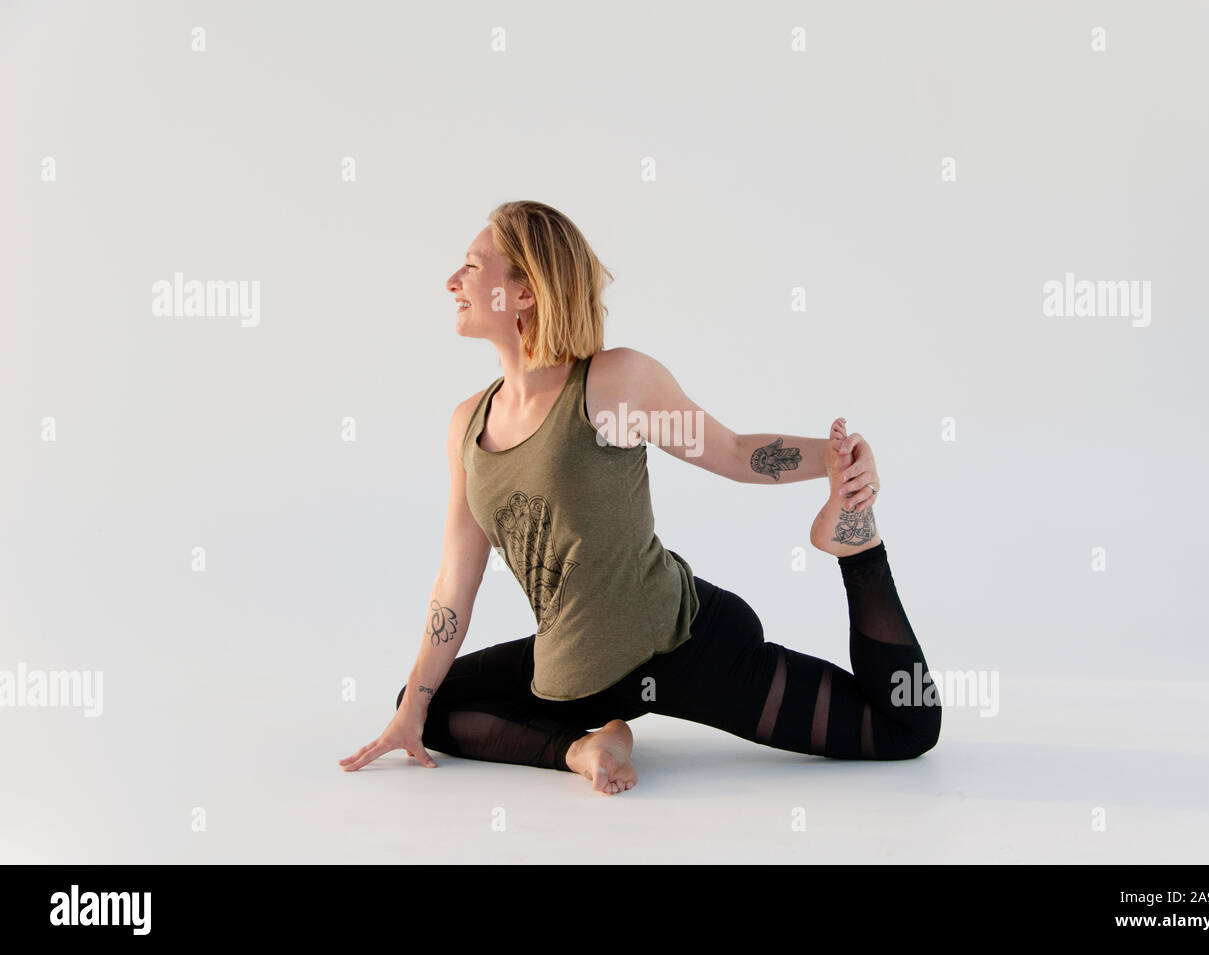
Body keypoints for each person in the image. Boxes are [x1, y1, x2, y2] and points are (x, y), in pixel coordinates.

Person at [339, 200, 941, 794]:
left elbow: (731, 451)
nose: (451, 281)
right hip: (573, 675)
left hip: (686, 648)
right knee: (422, 706)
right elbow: (455, 578)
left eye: (470, 266)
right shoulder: (467, 424)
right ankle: (584, 745)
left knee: (905, 727)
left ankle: (858, 547)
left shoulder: (611, 382)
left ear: (524, 291)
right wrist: (412, 703)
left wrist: (833, 461)